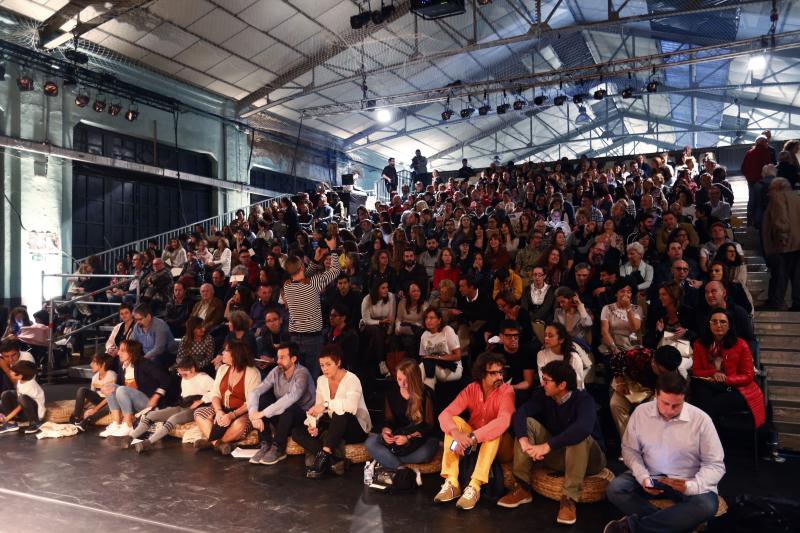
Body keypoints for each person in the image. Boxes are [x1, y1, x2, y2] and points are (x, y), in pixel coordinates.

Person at [604, 373, 725, 533]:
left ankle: (634, 527)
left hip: (688, 480)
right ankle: (674, 524)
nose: (669, 410)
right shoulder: (641, 413)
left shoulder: (701, 420)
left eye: (677, 405)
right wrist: (643, 477)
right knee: (615, 489)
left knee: (707, 505)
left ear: (685, 399)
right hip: (652, 476)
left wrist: (690, 486)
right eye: (665, 403)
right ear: (656, 395)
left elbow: (715, 464)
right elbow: (630, 450)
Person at [500, 360, 606, 525]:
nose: (542, 383)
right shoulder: (544, 395)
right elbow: (520, 413)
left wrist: (546, 446)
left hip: (590, 460)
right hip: (561, 455)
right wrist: (524, 441)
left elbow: (583, 428)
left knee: (578, 435)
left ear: (562, 384)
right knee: (527, 423)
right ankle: (522, 487)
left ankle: (569, 499)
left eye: (547, 380)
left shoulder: (583, 399)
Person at [434, 352, 515, 511]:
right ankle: (452, 483)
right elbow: (445, 414)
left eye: (501, 372)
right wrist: (457, 434)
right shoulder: (471, 389)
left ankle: (475, 487)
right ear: (481, 374)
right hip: (474, 443)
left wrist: (472, 436)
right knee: (455, 422)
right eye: (494, 373)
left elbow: (503, 421)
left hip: (502, 447)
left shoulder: (507, 391)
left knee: (494, 430)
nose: (500, 376)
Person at [292, 344, 371, 479]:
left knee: (340, 413)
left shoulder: (352, 379)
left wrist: (326, 404)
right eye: (322, 365)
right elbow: (319, 408)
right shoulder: (321, 380)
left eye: (328, 364)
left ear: (338, 362)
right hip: (334, 425)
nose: (324, 369)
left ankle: (323, 458)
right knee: (297, 432)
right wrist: (314, 425)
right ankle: (334, 460)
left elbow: (350, 407)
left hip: (354, 427)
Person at [691, 309, 766, 428]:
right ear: (709, 324)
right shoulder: (699, 344)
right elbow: (696, 371)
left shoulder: (741, 344)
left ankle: (709, 440)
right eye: (714, 321)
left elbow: (748, 376)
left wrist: (725, 379)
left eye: (723, 322)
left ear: (729, 325)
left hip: (737, 388)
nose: (718, 325)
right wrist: (714, 373)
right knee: (699, 395)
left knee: (709, 406)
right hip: (710, 384)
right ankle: (709, 440)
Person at [247, 342, 316, 466]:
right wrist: (253, 413)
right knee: (263, 398)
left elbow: (291, 398)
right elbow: (256, 391)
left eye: (282, 357)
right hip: (283, 418)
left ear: (293, 359)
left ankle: (279, 447)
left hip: (302, 420)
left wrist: (262, 413)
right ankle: (266, 443)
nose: (278, 361)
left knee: (289, 407)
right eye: (278, 357)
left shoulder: (302, 373)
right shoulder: (276, 371)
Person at [282, 236, 340, 380]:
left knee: (298, 378)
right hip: (312, 339)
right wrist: (333, 249)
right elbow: (335, 271)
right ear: (301, 266)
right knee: (312, 379)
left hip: (294, 338)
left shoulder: (287, 285)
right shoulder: (313, 283)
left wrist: (315, 259)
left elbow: (301, 276)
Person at [365, 359, 439, 469]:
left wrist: (408, 438)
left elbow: (430, 427)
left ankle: (387, 459)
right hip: (398, 436)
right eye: (399, 379)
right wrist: (386, 431)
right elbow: (388, 420)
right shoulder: (391, 393)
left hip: (420, 438)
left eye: (407, 380)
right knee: (370, 443)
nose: (402, 384)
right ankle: (400, 467)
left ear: (415, 380)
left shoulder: (426, 394)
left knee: (425, 452)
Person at [131, 357, 214, 453]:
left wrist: (202, 400)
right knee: (151, 415)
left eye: (184, 374)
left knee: (173, 419)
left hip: (195, 409)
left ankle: (148, 442)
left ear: (193, 369)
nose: (182, 376)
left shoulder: (204, 378)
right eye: (180, 374)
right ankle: (130, 437)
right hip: (183, 405)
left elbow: (217, 391)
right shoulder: (184, 379)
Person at [193, 341, 261, 454]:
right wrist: (219, 411)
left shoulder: (252, 372)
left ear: (236, 354)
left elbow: (251, 402)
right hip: (223, 409)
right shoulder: (223, 369)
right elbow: (215, 394)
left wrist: (232, 415)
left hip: (242, 412)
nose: (222, 353)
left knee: (240, 425)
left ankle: (211, 442)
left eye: (226, 350)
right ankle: (219, 444)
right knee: (199, 413)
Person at [98, 339, 174, 438]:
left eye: (122, 350)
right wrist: (105, 388)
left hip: (148, 403)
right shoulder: (122, 365)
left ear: (131, 352)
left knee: (121, 389)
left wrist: (156, 396)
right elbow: (117, 387)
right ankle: (116, 424)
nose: (118, 353)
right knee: (110, 387)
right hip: (131, 404)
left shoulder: (144, 363)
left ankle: (128, 425)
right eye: (119, 350)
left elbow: (165, 379)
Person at [609, 345, 682, 441]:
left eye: (665, 373)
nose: (662, 375)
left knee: (656, 412)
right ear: (653, 362)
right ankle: (629, 442)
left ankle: (648, 443)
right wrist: (620, 381)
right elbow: (616, 359)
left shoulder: (673, 375)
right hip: (631, 383)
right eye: (660, 371)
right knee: (615, 404)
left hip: (652, 392)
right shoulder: (640, 355)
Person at [761, 177, 800, 310]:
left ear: (777, 188)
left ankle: (777, 302)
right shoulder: (796, 196)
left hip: (784, 244)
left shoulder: (778, 197)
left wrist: (782, 237)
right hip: (797, 243)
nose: (769, 192)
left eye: (770, 189)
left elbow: (780, 219)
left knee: (780, 274)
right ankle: (797, 302)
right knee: (796, 275)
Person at [418, 307, 462, 391]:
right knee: (429, 378)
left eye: (432, 318)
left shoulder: (447, 331)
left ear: (439, 320)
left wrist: (437, 358)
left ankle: (415, 396)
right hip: (433, 367)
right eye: (426, 318)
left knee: (424, 366)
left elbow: (458, 356)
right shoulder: (424, 335)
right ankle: (427, 401)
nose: (428, 320)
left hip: (452, 368)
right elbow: (424, 357)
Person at [537, 323, 591, 391]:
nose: (546, 338)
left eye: (550, 336)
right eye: (545, 335)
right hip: (549, 391)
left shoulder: (573, 357)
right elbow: (543, 380)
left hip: (570, 394)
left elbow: (578, 384)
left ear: (561, 340)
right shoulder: (541, 354)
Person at [492, 320, 536, 404]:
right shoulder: (495, 353)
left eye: (516, 336)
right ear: (501, 337)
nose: (513, 339)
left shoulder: (527, 353)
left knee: (520, 396)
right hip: (497, 387)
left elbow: (528, 382)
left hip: (518, 389)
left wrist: (511, 387)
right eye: (509, 336)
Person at [70, 353, 117, 431]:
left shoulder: (111, 375)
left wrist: (95, 409)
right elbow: (92, 394)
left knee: (110, 404)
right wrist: (81, 407)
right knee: (82, 390)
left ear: (103, 364)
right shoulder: (95, 377)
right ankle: (77, 418)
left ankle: (87, 421)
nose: (91, 364)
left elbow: (110, 396)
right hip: (99, 400)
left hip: (109, 400)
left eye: (94, 362)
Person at [360, 280, 396, 377]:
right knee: (376, 330)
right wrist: (379, 322)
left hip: (384, 327)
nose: (386, 290)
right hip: (367, 327)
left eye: (387, 287)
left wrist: (389, 333)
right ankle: (381, 363)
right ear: (376, 289)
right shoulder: (367, 299)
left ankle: (367, 369)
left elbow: (391, 318)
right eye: (383, 288)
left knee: (376, 339)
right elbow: (366, 319)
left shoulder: (391, 297)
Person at [0, 360, 45, 434]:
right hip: (24, 410)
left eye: (12, 372)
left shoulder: (30, 386)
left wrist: (7, 418)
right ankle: (11, 424)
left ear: (20, 375)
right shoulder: (21, 380)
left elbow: (20, 405)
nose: (10, 373)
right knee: (6, 394)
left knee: (22, 398)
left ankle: (34, 423)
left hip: (34, 413)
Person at [600, 280, 642, 355]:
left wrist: (628, 308)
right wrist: (614, 349)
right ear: (616, 293)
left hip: (631, 346)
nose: (625, 294)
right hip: (612, 346)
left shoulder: (637, 309)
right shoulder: (607, 308)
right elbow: (604, 331)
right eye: (622, 291)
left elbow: (635, 328)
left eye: (628, 292)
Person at [131, 303, 178, 369]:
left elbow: (159, 349)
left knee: (157, 359)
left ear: (148, 316)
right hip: (147, 354)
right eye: (136, 319)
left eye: (140, 319)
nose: (137, 322)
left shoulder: (160, 325)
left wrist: (143, 359)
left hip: (167, 354)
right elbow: (132, 343)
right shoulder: (137, 326)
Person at [741, 135, 774, 227]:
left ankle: (750, 219)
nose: (767, 143)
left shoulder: (749, 152)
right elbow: (767, 166)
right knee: (761, 200)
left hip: (751, 180)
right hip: (761, 181)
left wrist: (748, 176)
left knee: (751, 198)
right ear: (763, 142)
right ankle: (759, 220)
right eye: (766, 142)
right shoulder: (765, 152)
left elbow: (743, 168)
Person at [324, 305, 359, 371]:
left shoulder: (351, 335)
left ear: (343, 318)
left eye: (334, 316)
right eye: (330, 315)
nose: (331, 318)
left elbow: (349, 359)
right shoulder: (329, 332)